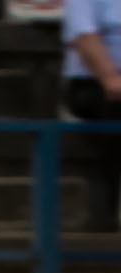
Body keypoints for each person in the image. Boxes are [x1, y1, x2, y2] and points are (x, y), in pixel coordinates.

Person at [67, 0, 121, 234]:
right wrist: (110, 77)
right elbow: (83, 36)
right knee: (112, 111)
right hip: (95, 82)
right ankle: (101, 214)